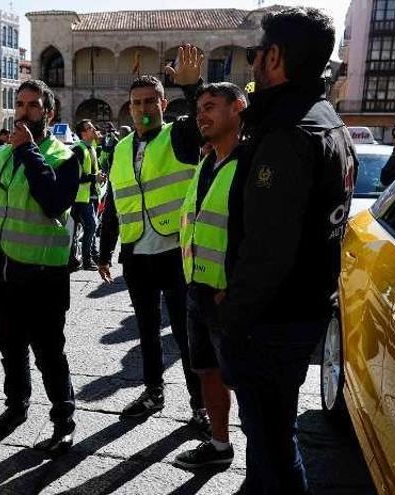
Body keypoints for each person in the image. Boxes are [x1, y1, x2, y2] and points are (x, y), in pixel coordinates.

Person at [215, 8, 355, 493]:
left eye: (256, 54)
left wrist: (232, 318)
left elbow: (268, 250)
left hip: (272, 322)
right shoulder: (328, 123)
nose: (251, 64)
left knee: (273, 441)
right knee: (270, 437)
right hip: (300, 311)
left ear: (274, 57)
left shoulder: (289, 135)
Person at [98, 46, 208, 430]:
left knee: (185, 332)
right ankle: (153, 391)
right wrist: (104, 249)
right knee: (146, 329)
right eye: (136, 102)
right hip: (137, 254)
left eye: (150, 101)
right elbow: (114, 199)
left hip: (176, 253)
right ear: (128, 108)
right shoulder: (121, 147)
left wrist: (193, 88)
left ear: (163, 103)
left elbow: (203, 119)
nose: (143, 108)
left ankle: (200, 404)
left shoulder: (178, 135)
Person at [0, 79, 82, 455]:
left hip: (42, 276)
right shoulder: (1, 155)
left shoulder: (65, 157)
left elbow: (53, 203)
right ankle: (16, 408)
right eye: (19, 104)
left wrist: (30, 152)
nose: (24, 112)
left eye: (33, 105)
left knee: (50, 353)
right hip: (1, 271)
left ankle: (63, 420)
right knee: (10, 348)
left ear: (48, 113)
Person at [174, 82, 248, 469]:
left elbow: (259, 238)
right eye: (198, 108)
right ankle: (220, 445)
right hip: (197, 289)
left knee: (245, 382)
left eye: (210, 107)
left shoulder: (250, 164)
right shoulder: (208, 161)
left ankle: (265, 465)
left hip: (228, 297)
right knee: (207, 371)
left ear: (238, 108)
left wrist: (232, 291)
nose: (201, 115)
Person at [71, 119, 103, 270]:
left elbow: (92, 171)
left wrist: (99, 177)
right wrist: (94, 177)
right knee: (90, 226)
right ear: (83, 133)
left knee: (83, 228)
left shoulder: (90, 147)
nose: (93, 129)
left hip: (88, 195)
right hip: (79, 197)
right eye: (89, 128)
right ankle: (87, 260)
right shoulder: (79, 149)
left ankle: (86, 258)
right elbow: (75, 176)